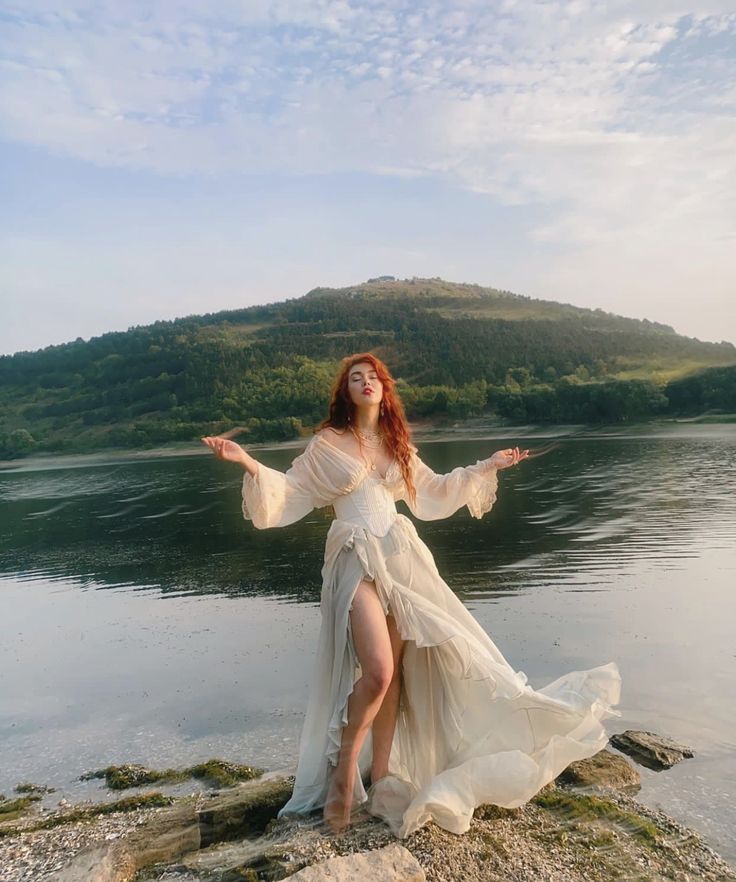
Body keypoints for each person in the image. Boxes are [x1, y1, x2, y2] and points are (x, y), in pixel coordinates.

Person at [202, 352, 621, 838]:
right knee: (377, 671)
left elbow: (435, 491)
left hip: (401, 558)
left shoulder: (397, 442)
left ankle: (380, 778)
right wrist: (248, 462)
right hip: (354, 557)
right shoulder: (327, 443)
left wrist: (489, 465)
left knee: (397, 675)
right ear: (345, 391)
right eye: (355, 378)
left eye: (372, 377)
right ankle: (342, 776)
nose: (365, 383)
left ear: (384, 389)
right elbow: (291, 489)